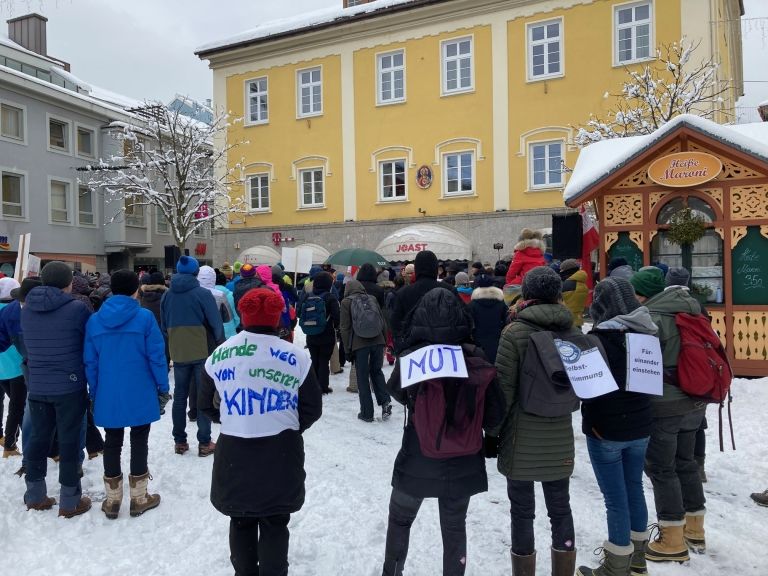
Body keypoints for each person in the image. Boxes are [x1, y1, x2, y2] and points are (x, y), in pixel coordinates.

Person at [382, 287, 504, 576]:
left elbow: (396, 392)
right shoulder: (477, 357)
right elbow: (496, 414)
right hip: (464, 459)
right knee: (454, 526)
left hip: (417, 457)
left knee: (400, 519)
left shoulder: (413, 356)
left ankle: (392, 572)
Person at [201, 288, 322, 576]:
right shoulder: (296, 357)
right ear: (277, 318)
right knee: (275, 520)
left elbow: (203, 404)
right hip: (280, 451)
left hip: (234, 450)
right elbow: (312, 407)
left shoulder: (220, 355)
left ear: (243, 315)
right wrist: (289, 426)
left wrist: (235, 418)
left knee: (240, 519)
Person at [493, 266, 579, 576]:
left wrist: (492, 434)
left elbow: (503, 391)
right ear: (558, 294)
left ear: (526, 294)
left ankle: (524, 570)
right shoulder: (573, 332)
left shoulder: (514, 333)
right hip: (560, 435)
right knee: (560, 508)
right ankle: (563, 570)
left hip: (521, 437)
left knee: (522, 512)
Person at [576, 277, 658, 576]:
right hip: (641, 425)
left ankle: (616, 565)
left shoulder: (597, 340)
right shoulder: (648, 334)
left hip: (606, 430)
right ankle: (638, 559)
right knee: (634, 488)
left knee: (615, 498)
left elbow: (587, 391)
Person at [629, 266, 707, 563]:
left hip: (666, 405)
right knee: (686, 463)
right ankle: (695, 527)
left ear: (642, 294)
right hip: (695, 402)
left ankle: (672, 539)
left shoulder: (650, 318)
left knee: (661, 468)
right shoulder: (691, 310)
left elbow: (640, 366)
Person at [84, 270, 169, 519]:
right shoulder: (144, 318)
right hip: (140, 387)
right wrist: (162, 386)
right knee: (140, 438)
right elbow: (157, 356)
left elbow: (90, 361)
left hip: (109, 389)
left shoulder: (95, 321)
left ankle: (112, 500)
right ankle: (139, 497)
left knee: (112, 440)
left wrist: (95, 390)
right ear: (135, 290)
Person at [21, 262, 92, 517]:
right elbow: (87, 342)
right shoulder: (76, 309)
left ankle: (35, 494)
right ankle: (70, 501)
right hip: (69, 385)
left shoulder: (26, 309)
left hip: (38, 385)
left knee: (38, 440)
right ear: (68, 282)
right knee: (70, 442)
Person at [161, 255, 224, 456]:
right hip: (201, 349)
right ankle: (204, 442)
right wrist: (220, 342)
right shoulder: (202, 294)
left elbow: (164, 325)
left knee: (180, 396)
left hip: (178, 350)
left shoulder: (167, 295)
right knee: (202, 395)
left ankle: (179, 441)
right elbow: (215, 322)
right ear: (196, 272)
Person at [339, 279, 391, 422]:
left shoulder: (346, 302)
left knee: (362, 377)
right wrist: (385, 340)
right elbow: (382, 321)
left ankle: (367, 413)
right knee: (377, 372)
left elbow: (345, 328)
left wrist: (347, 350)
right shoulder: (372, 298)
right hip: (378, 340)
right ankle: (385, 402)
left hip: (359, 344)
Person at [390, 251, 458, 355]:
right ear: (435, 268)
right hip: (445, 350)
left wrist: (401, 347)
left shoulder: (403, 293)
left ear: (416, 269)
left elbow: (395, 324)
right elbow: (461, 320)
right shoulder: (449, 290)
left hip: (413, 352)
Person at [302, 271, 340, 395]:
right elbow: (337, 316)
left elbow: (300, 313)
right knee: (324, 360)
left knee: (314, 359)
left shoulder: (308, 296)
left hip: (311, 333)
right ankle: (323, 386)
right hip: (326, 334)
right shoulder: (330, 297)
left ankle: (313, 385)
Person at [0, 278, 24, 458]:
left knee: (16, 406)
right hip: (16, 366)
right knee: (18, 406)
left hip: (2, 369)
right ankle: (9, 444)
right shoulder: (13, 311)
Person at [468, 274, 507, 364]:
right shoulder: (501, 303)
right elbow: (506, 320)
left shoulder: (472, 305)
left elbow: (469, 324)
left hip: (478, 343)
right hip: (498, 341)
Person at [559, 259, 589, 328]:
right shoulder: (581, 282)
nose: (560, 272)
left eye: (562, 270)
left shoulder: (567, 284)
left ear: (568, 271)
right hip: (578, 320)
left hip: (567, 322)